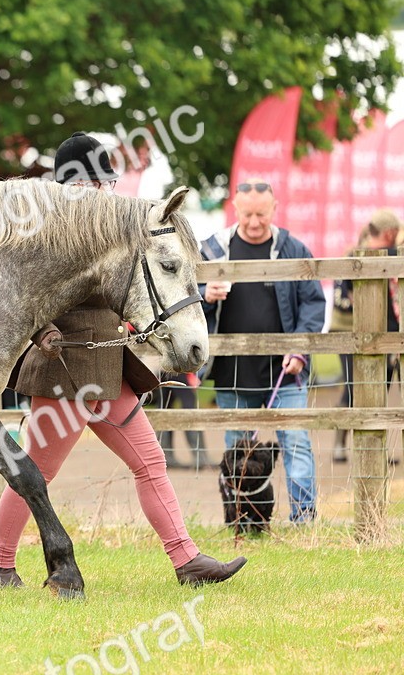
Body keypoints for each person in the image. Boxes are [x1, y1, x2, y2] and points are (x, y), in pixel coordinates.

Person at [0, 131, 247, 590]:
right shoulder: (47, 233)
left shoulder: (109, 230)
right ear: (74, 184)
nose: (105, 191)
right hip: (65, 372)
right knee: (37, 475)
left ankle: (187, 561)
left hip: (109, 371)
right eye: (95, 182)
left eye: (106, 182)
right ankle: (0, 567)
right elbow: (24, 298)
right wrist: (42, 330)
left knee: (150, 462)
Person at [200, 178, 326, 523]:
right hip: (232, 373)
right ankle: (240, 519)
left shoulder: (294, 250)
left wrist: (300, 350)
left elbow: (313, 304)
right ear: (235, 208)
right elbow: (181, 299)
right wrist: (204, 295)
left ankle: (304, 520)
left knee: (296, 445)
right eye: (247, 215)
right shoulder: (211, 250)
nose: (254, 223)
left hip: (284, 373)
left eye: (261, 215)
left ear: (274, 209)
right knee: (236, 451)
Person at [331, 209, 399, 462]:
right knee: (353, 387)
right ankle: (340, 442)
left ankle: (376, 449)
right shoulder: (353, 257)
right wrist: (368, 308)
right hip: (348, 333)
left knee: (381, 390)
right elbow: (341, 299)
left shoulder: (394, 258)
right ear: (390, 232)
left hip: (384, 334)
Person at [157, 371, 207, 470]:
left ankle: (166, 455)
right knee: (188, 403)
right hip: (176, 366)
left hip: (161, 365)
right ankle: (200, 455)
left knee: (165, 404)